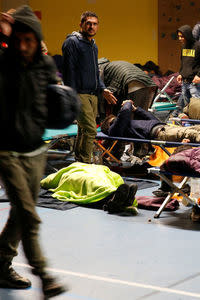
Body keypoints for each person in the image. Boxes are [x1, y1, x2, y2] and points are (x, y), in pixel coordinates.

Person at [0, 6, 67, 298]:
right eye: (19, 40)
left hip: (36, 149)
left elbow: (55, 99)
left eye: (30, 40)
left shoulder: (45, 66)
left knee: (20, 212)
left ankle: (1, 263)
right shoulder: (3, 65)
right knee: (29, 216)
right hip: (6, 152)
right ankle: (44, 275)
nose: (24, 46)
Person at [62, 11, 118, 163]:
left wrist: (102, 88)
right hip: (79, 94)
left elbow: (95, 72)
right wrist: (71, 96)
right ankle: (86, 162)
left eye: (94, 24)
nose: (91, 26)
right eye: (88, 23)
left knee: (84, 130)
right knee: (91, 129)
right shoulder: (72, 42)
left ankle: (80, 160)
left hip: (93, 94)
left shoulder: (93, 45)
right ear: (81, 25)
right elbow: (69, 71)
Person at [101, 100, 200, 146]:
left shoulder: (126, 124)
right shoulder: (115, 129)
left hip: (164, 127)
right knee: (190, 133)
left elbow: (152, 119)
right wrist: (127, 104)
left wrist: (137, 109)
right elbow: (124, 113)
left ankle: (192, 142)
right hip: (159, 134)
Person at [176, 25, 200, 109]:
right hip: (184, 82)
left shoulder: (199, 46)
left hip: (195, 83)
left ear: (187, 35)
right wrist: (181, 74)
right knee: (187, 107)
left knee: (197, 107)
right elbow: (184, 63)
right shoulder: (183, 46)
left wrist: (199, 75)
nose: (180, 39)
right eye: (179, 36)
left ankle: (198, 122)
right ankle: (189, 122)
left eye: (181, 36)